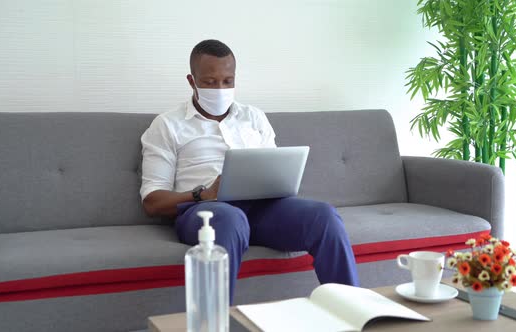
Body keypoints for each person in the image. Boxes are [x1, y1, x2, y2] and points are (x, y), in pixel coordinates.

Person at [140, 39, 359, 303]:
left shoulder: (254, 117)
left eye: (227, 80)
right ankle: (214, 324)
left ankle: (352, 309)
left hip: (264, 210)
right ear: (191, 80)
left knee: (324, 216)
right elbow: (152, 202)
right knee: (230, 219)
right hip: (207, 213)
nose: (220, 88)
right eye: (210, 82)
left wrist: (280, 182)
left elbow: (275, 168)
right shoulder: (167, 125)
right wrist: (203, 194)